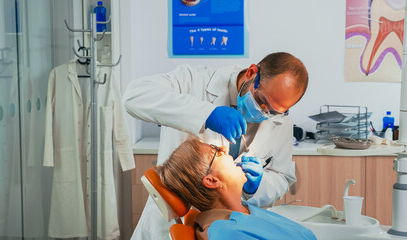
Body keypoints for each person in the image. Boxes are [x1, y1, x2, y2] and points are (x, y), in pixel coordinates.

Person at [123, 52, 309, 239]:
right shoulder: (194, 81)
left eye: (274, 112)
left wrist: (257, 187)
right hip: (169, 226)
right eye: (262, 101)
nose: (264, 112)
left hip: (234, 222)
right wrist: (206, 114)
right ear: (252, 73)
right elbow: (134, 96)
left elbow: (281, 177)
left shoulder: (280, 122)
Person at [156, 137, 317, 240]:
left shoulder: (247, 212)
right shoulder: (226, 233)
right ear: (212, 181)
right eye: (216, 151)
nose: (225, 149)